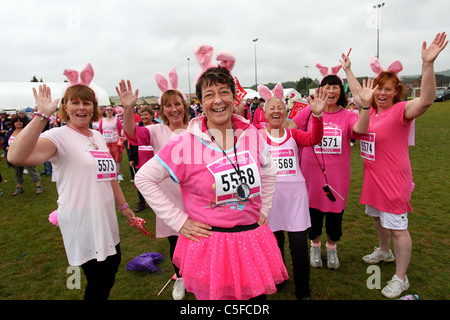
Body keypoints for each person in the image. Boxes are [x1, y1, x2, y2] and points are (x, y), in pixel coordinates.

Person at [133, 65, 288, 300]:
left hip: (251, 240)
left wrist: (264, 207)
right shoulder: (185, 142)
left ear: (234, 97)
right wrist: (179, 221)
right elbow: (144, 178)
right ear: (200, 102)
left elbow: (269, 170)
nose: (218, 100)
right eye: (209, 95)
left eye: (224, 92)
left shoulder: (252, 134)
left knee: (256, 301)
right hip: (211, 246)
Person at [7, 64, 135, 300]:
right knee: (98, 279)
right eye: (75, 102)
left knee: (112, 267)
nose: (81, 108)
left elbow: (108, 177)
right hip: (81, 218)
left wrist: (125, 207)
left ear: (93, 108)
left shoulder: (96, 134)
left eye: (87, 103)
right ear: (65, 107)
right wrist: (41, 116)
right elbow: (15, 157)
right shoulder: (57, 136)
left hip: (105, 216)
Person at [341, 32, 448, 298]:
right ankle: (384, 252)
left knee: (399, 230)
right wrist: (348, 71)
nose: (382, 93)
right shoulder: (371, 111)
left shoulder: (401, 112)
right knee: (379, 221)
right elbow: (358, 93)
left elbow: (425, 100)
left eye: (388, 89)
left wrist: (427, 65)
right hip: (373, 181)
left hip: (394, 183)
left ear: (396, 92)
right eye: (379, 88)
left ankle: (401, 278)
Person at [288, 62, 375, 270]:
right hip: (310, 177)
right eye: (327, 86)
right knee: (314, 217)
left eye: (336, 87)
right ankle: (315, 246)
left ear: (340, 92)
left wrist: (364, 105)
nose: (331, 90)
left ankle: (332, 247)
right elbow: (290, 129)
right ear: (320, 90)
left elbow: (361, 129)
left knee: (335, 218)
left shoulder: (347, 114)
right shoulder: (308, 112)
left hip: (337, 179)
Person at [116, 76, 190, 300]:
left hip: (197, 197)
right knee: (176, 242)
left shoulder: (198, 128)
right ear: (163, 110)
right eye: (168, 105)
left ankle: (201, 277)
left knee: (202, 239)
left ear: (184, 106)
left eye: (177, 104)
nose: (173, 109)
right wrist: (128, 109)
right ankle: (180, 278)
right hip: (169, 198)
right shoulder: (156, 131)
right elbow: (132, 134)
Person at [259, 82, 324, 300]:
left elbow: (315, 139)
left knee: (299, 248)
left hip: (295, 201)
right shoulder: (257, 138)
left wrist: (317, 117)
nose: (276, 111)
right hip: (270, 202)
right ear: (265, 113)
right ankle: (280, 277)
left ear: (286, 112)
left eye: (280, 108)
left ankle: (303, 292)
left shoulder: (293, 135)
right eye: (271, 108)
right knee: (275, 246)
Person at [3, 116, 43, 195]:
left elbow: (33, 141)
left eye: (20, 121)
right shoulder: (9, 133)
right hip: (15, 156)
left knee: (32, 170)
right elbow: (4, 145)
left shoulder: (26, 131)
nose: (19, 123)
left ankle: (38, 186)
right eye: (16, 121)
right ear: (13, 123)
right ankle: (19, 187)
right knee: (17, 172)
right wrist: (8, 149)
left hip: (27, 155)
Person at [128, 106, 156, 212]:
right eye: (142, 114)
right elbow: (131, 144)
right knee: (140, 182)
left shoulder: (156, 127)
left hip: (154, 162)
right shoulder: (137, 128)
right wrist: (131, 158)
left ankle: (156, 203)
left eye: (146, 114)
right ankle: (141, 202)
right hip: (140, 161)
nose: (143, 116)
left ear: (151, 116)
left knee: (155, 183)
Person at [99, 106, 124, 182]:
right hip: (106, 143)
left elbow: (120, 130)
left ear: (113, 111)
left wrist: (121, 140)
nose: (109, 111)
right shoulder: (102, 120)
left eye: (110, 110)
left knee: (117, 159)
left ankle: (118, 174)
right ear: (105, 111)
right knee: (109, 159)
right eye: (107, 110)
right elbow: (100, 131)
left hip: (115, 141)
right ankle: (111, 174)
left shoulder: (116, 119)